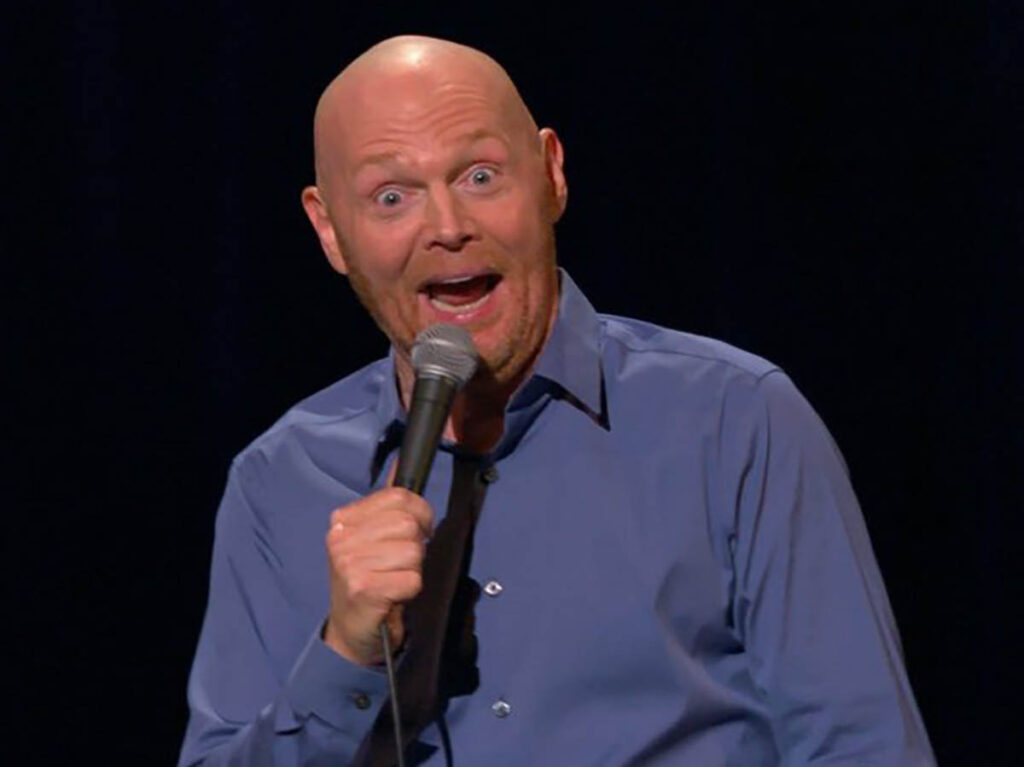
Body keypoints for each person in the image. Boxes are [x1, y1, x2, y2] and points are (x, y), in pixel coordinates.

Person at [179, 35, 936, 766]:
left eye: (479, 175)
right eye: (391, 195)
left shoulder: (737, 420)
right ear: (330, 230)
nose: (447, 227)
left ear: (550, 173)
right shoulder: (279, 479)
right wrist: (343, 651)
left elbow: (861, 747)